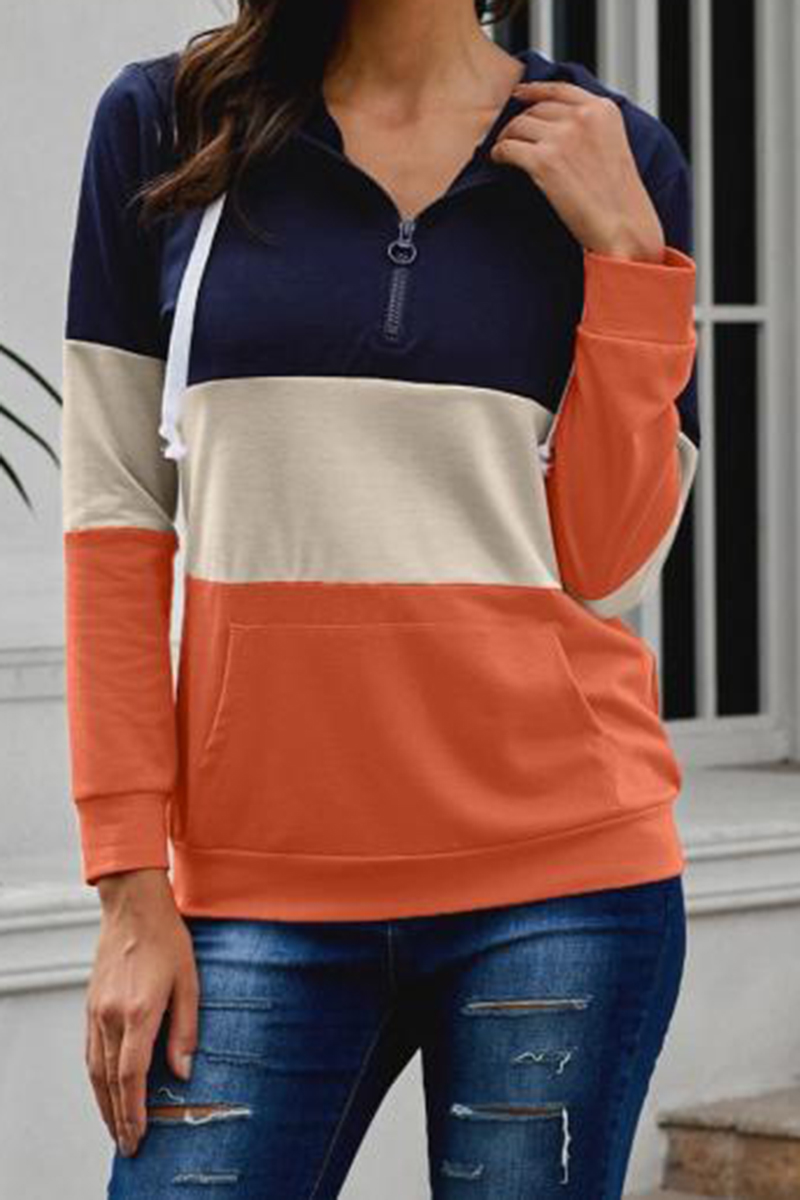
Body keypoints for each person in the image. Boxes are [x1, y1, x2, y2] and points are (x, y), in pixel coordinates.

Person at [60, 0, 698, 1194]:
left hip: (562, 883)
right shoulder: (168, 126)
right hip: (253, 890)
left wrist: (625, 252)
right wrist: (129, 891)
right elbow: (114, 523)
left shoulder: (612, 150)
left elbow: (610, 565)